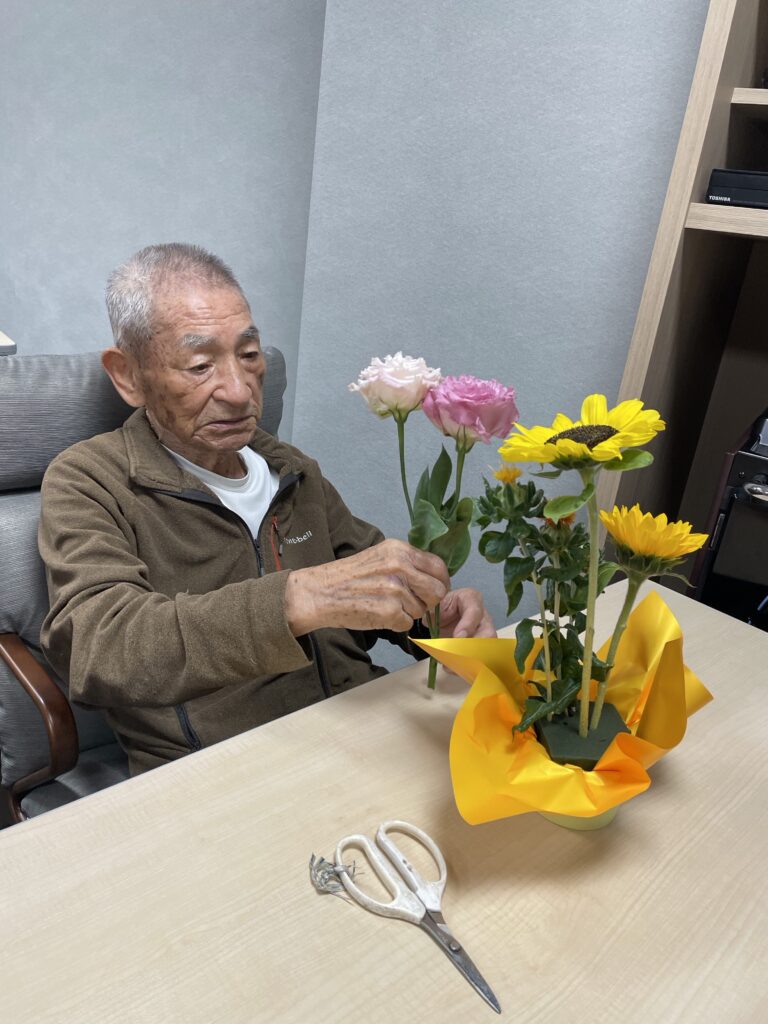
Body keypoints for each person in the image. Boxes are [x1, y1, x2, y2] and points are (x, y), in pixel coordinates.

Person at [38, 244, 495, 776]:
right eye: (200, 365)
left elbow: (371, 579)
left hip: (360, 726)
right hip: (229, 766)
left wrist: (434, 614)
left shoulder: (289, 467)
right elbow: (98, 647)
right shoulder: (89, 479)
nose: (239, 392)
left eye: (250, 355)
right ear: (128, 375)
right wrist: (296, 599)